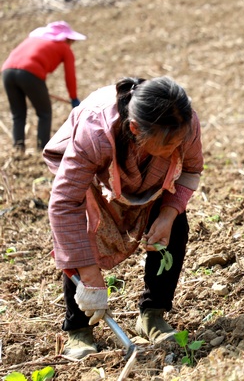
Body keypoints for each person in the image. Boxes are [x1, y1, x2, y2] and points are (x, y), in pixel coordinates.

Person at [42, 76, 204, 359]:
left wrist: (167, 215)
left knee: (176, 225)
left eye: (179, 142)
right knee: (81, 226)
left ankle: (152, 315)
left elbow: (190, 170)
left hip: (151, 177)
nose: (175, 149)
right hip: (92, 173)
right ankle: (78, 330)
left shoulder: (185, 124)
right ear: (135, 128)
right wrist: (90, 275)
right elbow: (64, 202)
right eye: (168, 146)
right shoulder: (95, 130)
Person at [2, 21, 86, 151]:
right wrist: (74, 98)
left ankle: (18, 148)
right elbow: (70, 76)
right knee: (44, 113)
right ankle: (43, 148)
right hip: (30, 73)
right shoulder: (64, 47)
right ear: (66, 38)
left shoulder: (34, 39)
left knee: (17, 113)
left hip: (7, 72)